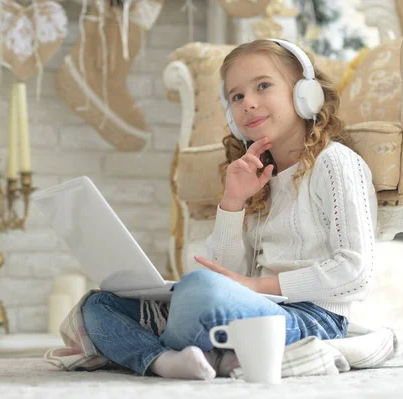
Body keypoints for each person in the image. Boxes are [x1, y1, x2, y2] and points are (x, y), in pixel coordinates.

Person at [81, 38, 377, 381]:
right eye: (236, 96)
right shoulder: (257, 175)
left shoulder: (335, 163)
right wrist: (233, 202)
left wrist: (256, 287)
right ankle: (164, 360)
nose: (248, 103)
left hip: (314, 319)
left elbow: (356, 272)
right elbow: (229, 274)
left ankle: (166, 349)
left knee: (199, 291)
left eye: (263, 86)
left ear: (305, 93)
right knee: (98, 305)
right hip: (255, 309)